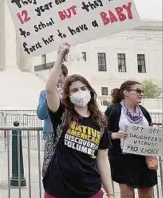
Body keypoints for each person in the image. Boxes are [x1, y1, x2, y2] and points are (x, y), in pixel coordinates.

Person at [42, 43, 114, 198]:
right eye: (74, 90)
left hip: (90, 189)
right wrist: (60, 57)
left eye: (83, 88)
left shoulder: (100, 122)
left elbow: (102, 159)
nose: (80, 93)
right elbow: (49, 89)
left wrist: (110, 191)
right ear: (68, 95)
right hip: (58, 188)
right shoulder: (62, 114)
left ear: (90, 91)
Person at [105, 80, 157, 198]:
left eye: (142, 91)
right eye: (138, 91)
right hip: (123, 160)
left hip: (144, 160)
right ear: (126, 92)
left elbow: (151, 134)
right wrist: (114, 135)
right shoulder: (114, 109)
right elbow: (102, 132)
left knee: (147, 194)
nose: (141, 94)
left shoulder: (143, 111)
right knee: (128, 195)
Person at [36, 64, 68, 140]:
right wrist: (50, 94)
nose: (55, 78)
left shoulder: (70, 93)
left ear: (65, 76)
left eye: (59, 75)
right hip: (50, 136)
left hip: (67, 136)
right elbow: (41, 115)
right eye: (52, 75)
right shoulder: (44, 94)